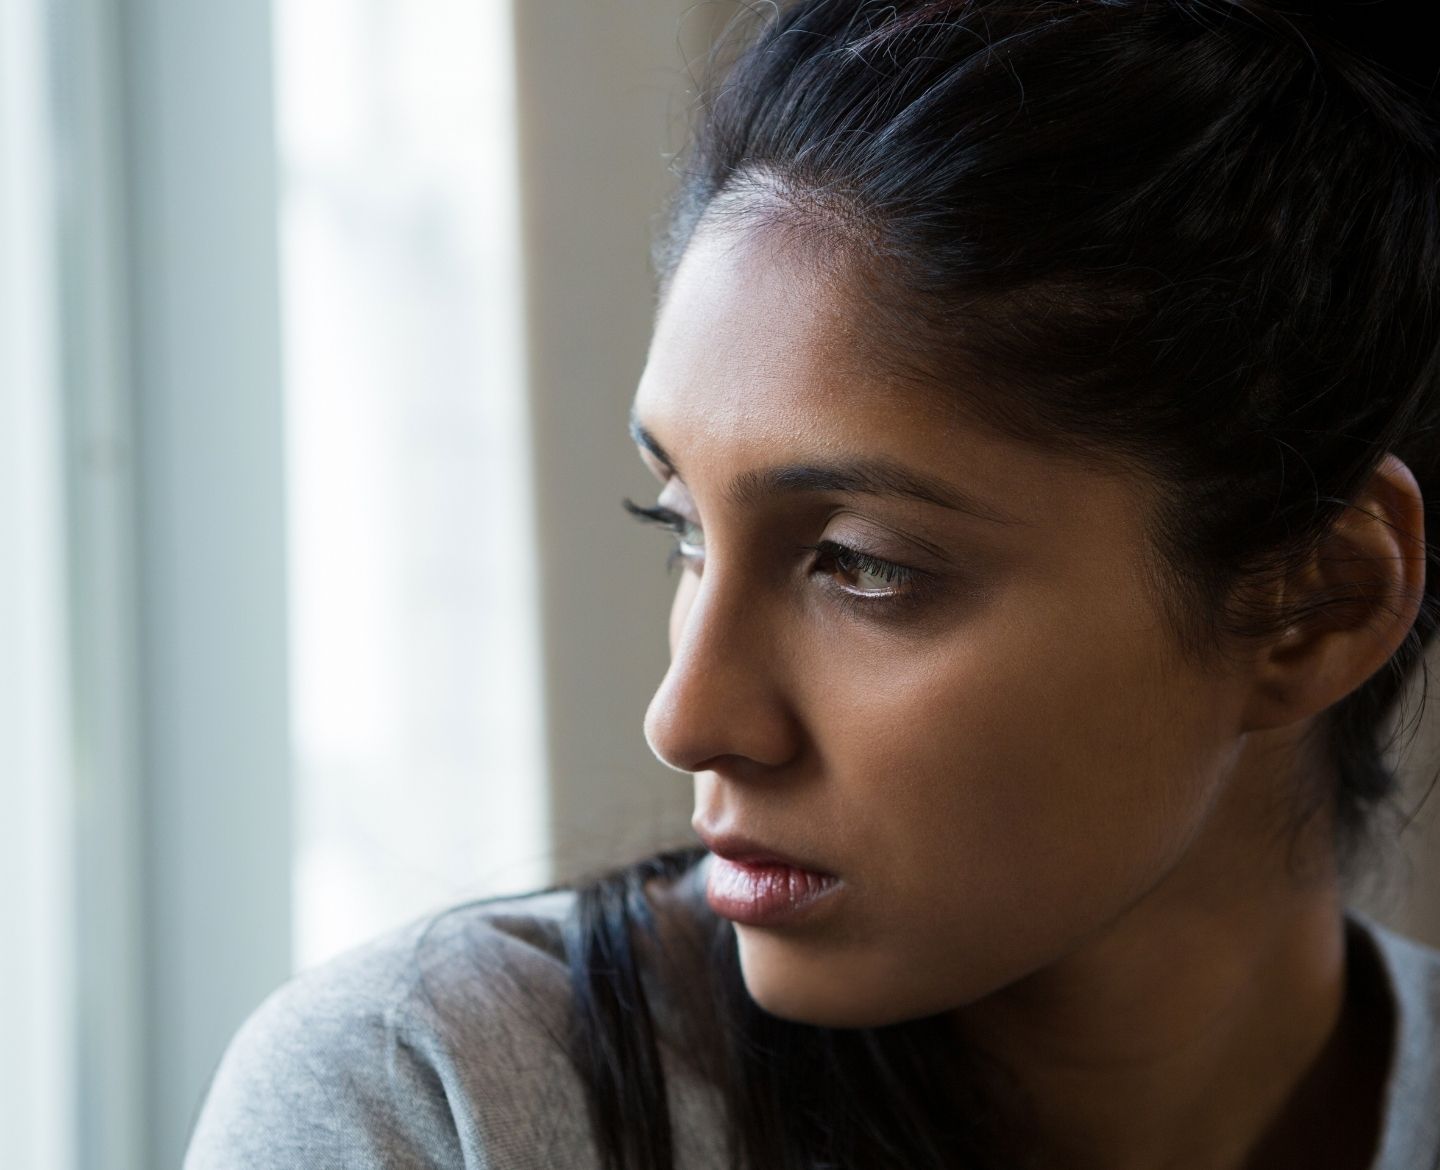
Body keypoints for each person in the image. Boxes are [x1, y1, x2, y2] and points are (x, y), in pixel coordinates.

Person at [184, 2, 1440, 1168]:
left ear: (1311, 602)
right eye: (677, 523)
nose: (686, 717)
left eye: (860, 563)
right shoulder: (429, 1104)